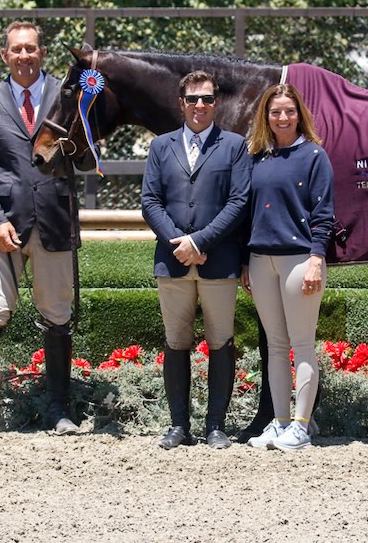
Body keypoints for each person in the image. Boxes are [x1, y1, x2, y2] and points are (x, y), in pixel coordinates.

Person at [0, 21, 81, 439]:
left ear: (42, 53)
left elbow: (81, 157)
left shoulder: (67, 97)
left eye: (32, 49)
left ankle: (59, 411)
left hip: (54, 222)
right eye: (17, 49)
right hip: (4, 228)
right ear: (4, 55)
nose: (25, 55)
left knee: (57, 317)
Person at [141, 70, 251, 450]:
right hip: (173, 261)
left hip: (218, 260)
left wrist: (201, 240)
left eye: (206, 99)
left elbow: (239, 202)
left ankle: (216, 426)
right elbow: (149, 201)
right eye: (193, 99)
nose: (199, 106)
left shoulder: (235, 146)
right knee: (176, 342)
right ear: (181, 103)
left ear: (216, 103)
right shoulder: (161, 146)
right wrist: (179, 242)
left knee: (221, 342)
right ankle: (178, 426)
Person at [240, 83, 334, 451]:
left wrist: (316, 258)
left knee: (302, 343)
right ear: (266, 116)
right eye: (276, 111)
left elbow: (323, 214)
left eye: (289, 111)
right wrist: (246, 261)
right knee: (276, 347)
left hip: (300, 260)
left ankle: (301, 426)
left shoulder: (314, 156)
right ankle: (280, 423)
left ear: (300, 115)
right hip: (261, 261)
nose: (283, 117)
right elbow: (249, 214)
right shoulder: (255, 158)